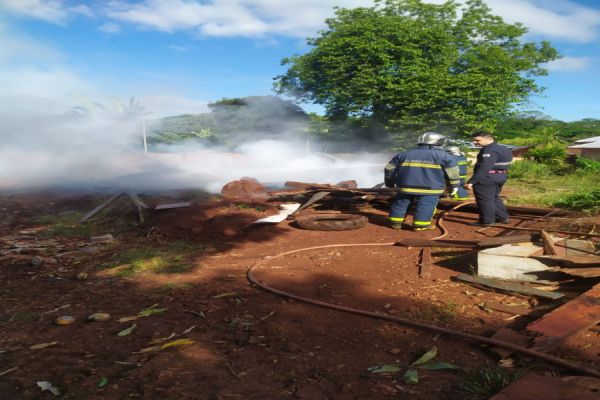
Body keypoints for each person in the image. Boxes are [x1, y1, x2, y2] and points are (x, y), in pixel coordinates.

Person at [384, 132, 461, 231]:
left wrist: (389, 182)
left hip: (405, 186)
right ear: (440, 142)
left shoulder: (403, 154)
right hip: (431, 188)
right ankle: (421, 225)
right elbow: (453, 173)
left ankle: (395, 223)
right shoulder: (445, 156)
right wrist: (454, 185)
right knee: (426, 205)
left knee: (401, 203)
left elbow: (389, 169)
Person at [465, 132, 513, 226]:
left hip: (487, 178)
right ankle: (502, 217)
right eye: (474, 140)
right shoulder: (503, 148)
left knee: (485, 199)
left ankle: (487, 221)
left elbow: (484, 167)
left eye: (478, 140)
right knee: (494, 197)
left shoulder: (489, 150)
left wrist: (472, 181)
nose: (475, 142)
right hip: (501, 176)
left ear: (488, 139)